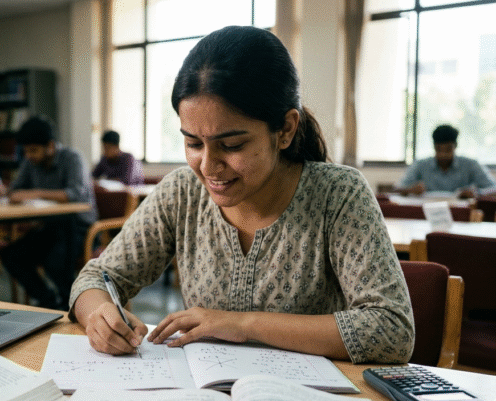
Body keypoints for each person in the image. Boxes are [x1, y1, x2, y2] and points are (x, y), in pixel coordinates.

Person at [70, 26, 414, 364]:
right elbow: (96, 277)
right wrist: (99, 313)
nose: (208, 166)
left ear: (285, 130)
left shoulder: (337, 194)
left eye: (232, 145)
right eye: (192, 143)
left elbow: (391, 330)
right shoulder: (182, 193)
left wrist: (242, 325)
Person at [0, 116, 97, 310]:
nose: (29, 155)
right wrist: (6, 191)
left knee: (54, 261)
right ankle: (48, 302)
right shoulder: (30, 161)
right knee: (11, 255)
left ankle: (72, 305)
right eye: (26, 151)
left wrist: (35, 193)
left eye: (34, 150)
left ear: (50, 146)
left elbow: (75, 194)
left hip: (79, 227)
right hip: (49, 227)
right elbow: (17, 189)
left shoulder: (72, 158)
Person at [395, 124, 496, 198]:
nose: (443, 154)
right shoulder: (421, 165)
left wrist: (477, 193)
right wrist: (411, 189)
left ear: (455, 146)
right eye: (439, 149)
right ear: (434, 147)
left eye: (448, 149)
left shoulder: (470, 165)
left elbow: (493, 188)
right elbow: (397, 188)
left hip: (462, 216)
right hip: (426, 214)